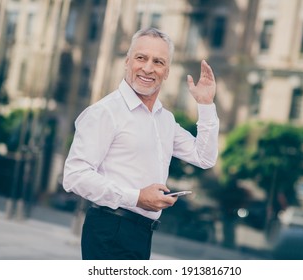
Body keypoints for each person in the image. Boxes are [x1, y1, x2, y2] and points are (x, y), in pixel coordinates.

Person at [63, 27, 219, 260]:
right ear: (127, 62)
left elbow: (204, 157)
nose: (148, 68)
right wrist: (136, 197)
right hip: (109, 231)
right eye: (141, 58)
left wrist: (205, 105)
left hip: (142, 234)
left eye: (158, 62)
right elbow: (74, 175)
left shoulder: (164, 119)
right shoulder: (105, 112)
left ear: (166, 72)